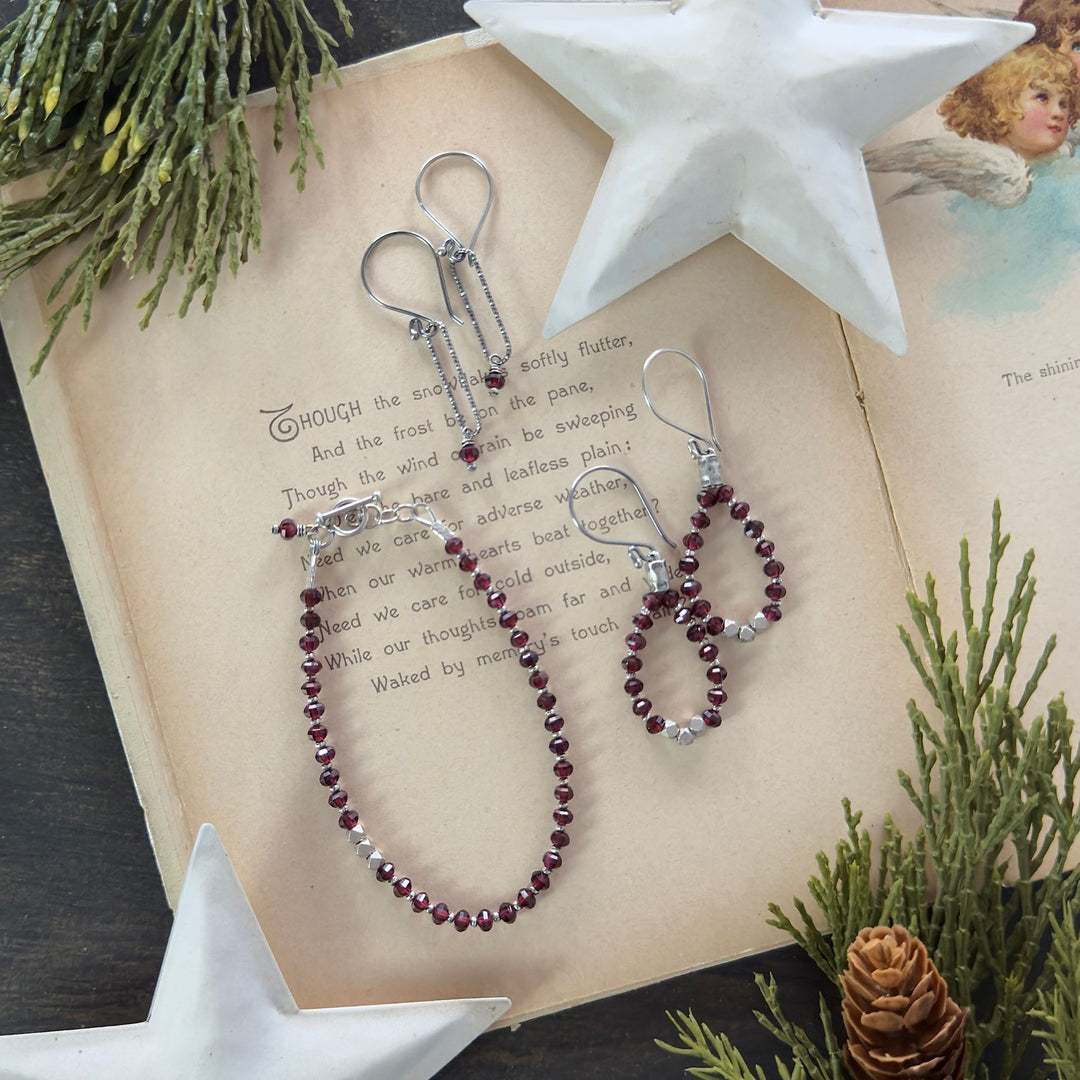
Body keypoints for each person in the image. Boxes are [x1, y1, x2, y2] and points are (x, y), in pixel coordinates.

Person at [938, 43, 1078, 162]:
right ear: (998, 104)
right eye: (1042, 98)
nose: (1058, 113)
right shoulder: (983, 165)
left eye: (1063, 104)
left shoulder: (1065, 158)